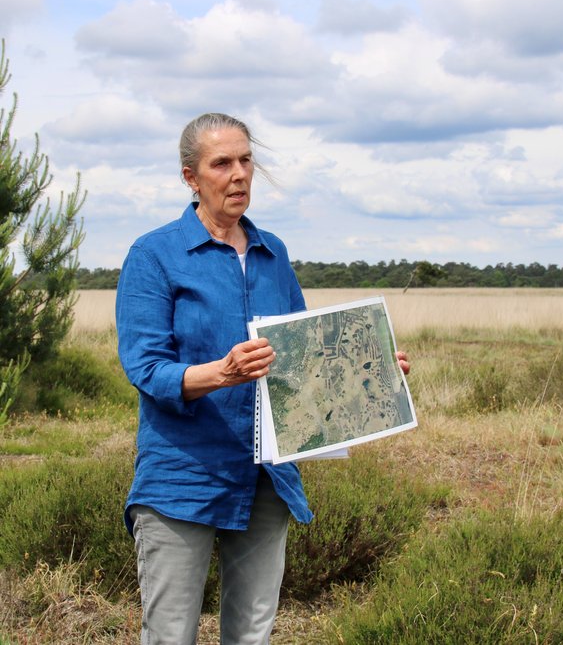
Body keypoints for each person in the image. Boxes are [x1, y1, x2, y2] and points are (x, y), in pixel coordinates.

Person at [116, 112, 410, 645]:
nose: (238, 174)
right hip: (181, 476)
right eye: (221, 163)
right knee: (170, 634)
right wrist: (222, 372)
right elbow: (146, 368)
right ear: (190, 177)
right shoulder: (154, 255)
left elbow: (304, 358)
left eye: (246, 160)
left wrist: (370, 369)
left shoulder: (274, 253)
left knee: (252, 634)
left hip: (265, 476)